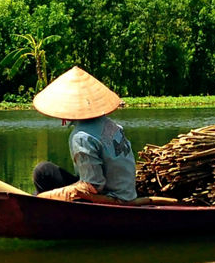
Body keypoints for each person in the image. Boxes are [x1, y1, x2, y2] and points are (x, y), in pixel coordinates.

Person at [31, 66, 137, 203]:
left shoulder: (81, 137)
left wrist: (51, 195)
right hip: (127, 193)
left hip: (109, 198)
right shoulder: (109, 123)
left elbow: (93, 185)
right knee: (45, 171)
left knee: (41, 173)